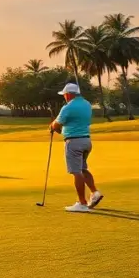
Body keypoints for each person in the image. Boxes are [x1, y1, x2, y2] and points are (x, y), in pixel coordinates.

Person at [50, 83, 103, 213]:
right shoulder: (86, 104)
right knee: (83, 169)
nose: (64, 97)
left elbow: (57, 125)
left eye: (65, 95)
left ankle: (82, 203)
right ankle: (95, 192)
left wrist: (52, 127)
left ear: (68, 94)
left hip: (74, 142)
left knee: (76, 172)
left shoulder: (68, 107)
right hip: (86, 140)